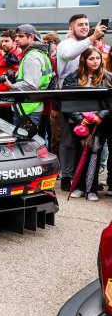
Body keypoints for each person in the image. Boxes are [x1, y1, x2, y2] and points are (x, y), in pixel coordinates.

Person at [56, 15, 107, 190]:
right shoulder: (65, 44)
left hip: (91, 101)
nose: (84, 27)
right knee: (69, 141)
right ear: (71, 28)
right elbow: (70, 54)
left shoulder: (88, 45)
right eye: (80, 25)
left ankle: (88, 178)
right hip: (70, 100)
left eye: (86, 24)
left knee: (92, 141)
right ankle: (67, 176)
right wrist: (92, 38)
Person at [63, 47, 111, 201]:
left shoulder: (108, 77)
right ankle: (78, 186)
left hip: (99, 123)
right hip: (79, 123)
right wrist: (79, 119)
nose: (95, 61)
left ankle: (91, 189)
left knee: (94, 154)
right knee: (80, 153)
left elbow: (110, 102)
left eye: (98, 58)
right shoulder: (72, 78)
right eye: (91, 58)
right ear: (84, 60)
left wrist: (100, 116)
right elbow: (66, 101)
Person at [1, 24, 54, 128]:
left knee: (25, 138)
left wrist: (11, 85)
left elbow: (31, 85)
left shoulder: (32, 56)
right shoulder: (39, 53)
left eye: (21, 36)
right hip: (32, 106)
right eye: (16, 36)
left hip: (27, 109)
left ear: (31, 37)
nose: (16, 39)